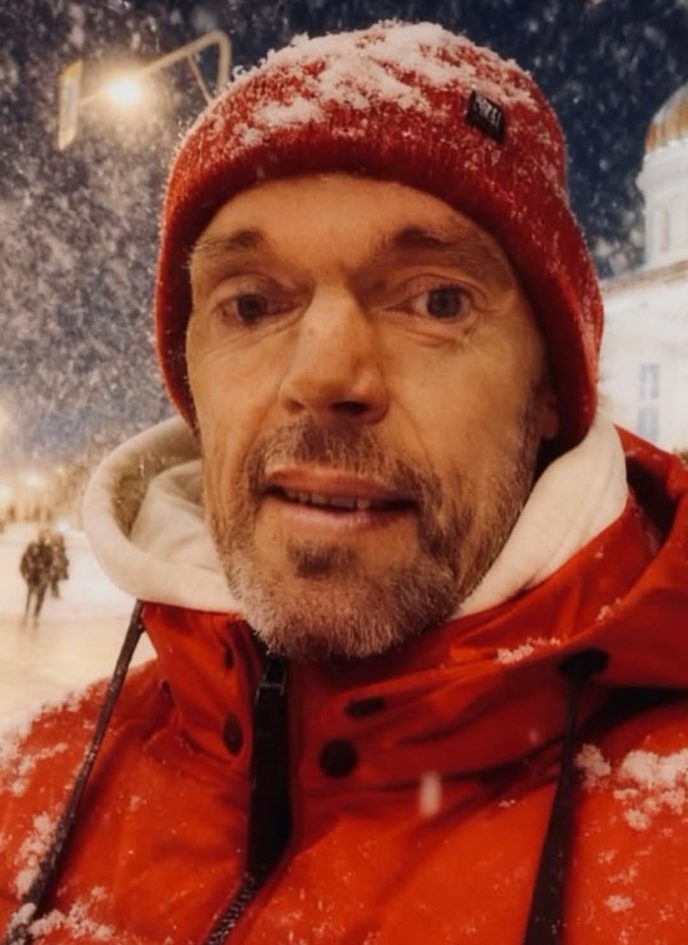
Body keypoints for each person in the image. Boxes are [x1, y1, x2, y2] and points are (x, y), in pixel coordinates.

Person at [1, 21, 687, 945]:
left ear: (550, 391)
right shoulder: (32, 790)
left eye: (437, 300)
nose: (324, 374)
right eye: (250, 303)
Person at [18, 531, 54, 623]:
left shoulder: (48, 549)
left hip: (42, 574)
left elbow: (51, 562)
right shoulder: (33, 547)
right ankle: (31, 612)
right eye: (41, 536)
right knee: (34, 593)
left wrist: (47, 571)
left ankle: (35, 613)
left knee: (39, 594)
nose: (42, 538)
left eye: (43, 536)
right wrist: (26, 572)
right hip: (34, 575)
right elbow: (25, 561)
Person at [46, 530, 69, 599]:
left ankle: (55, 592)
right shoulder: (50, 548)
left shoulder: (61, 549)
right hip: (53, 567)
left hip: (57, 567)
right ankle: (55, 592)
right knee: (53, 579)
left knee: (54, 580)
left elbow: (65, 560)